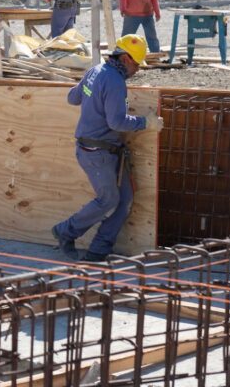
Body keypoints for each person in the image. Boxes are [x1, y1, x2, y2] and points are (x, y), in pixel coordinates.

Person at [52, 35, 164, 262]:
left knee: (124, 201)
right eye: (135, 65)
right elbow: (117, 123)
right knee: (109, 200)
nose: (136, 71)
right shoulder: (114, 81)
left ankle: (98, 251)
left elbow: (73, 98)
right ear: (124, 58)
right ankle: (65, 231)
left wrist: (90, 93)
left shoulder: (96, 71)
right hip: (97, 153)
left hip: (104, 151)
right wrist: (146, 122)